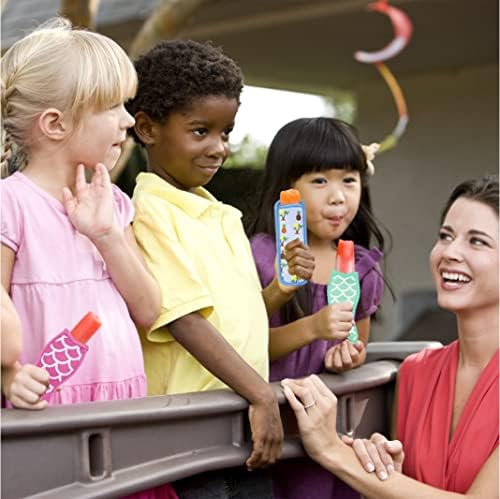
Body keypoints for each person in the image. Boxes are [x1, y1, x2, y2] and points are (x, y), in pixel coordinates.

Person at [0, 18, 177, 499]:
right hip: (47, 418)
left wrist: (106, 236)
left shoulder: (114, 205)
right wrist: (8, 372)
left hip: (122, 409)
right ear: (55, 123)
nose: (126, 119)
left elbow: (148, 308)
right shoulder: (10, 204)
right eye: (112, 106)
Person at [126, 40, 310, 499]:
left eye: (226, 132)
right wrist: (262, 394)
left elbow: (234, 315)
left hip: (236, 418)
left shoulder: (220, 213)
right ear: (147, 128)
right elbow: (184, 319)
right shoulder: (149, 212)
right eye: (200, 131)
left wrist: (279, 291)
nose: (219, 148)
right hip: (191, 430)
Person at [282, 174, 499, 498]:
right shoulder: (415, 372)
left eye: (477, 241)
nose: (450, 252)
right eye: (445, 236)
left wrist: (332, 450)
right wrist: (386, 474)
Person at [248, 117, 390, 499]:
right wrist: (312, 328)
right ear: (287, 189)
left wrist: (348, 356)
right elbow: (246, 347)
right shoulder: (260, 257)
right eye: (319, 181)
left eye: (349, 180)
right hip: (271, 434)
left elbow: (357, 344)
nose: (338, 197)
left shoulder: (363, 267)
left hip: (333, 436)